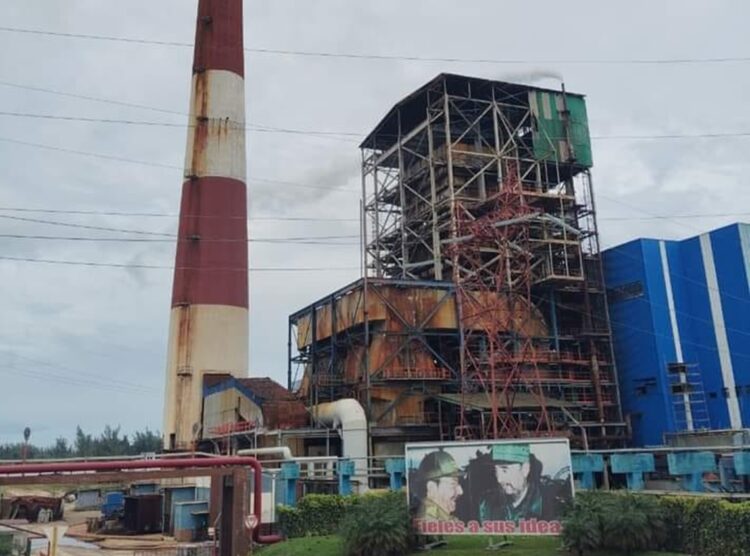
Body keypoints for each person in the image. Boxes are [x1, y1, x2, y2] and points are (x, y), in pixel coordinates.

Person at [478, 443, 571, 523]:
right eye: (495, 471)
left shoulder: (549, 503)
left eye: (505, 470)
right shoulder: (486, 504)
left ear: (525, 469)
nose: (499, 479)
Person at [413, 449, 464, 521]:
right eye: (453, 484)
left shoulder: (443, 519)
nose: (460, 491)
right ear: (432, 488)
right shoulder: (430, 521)